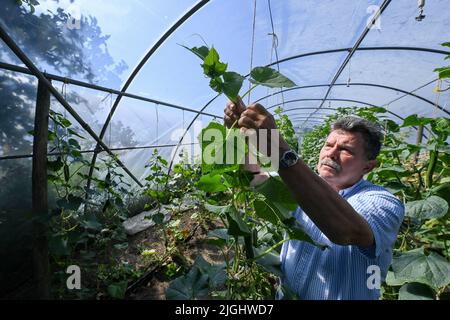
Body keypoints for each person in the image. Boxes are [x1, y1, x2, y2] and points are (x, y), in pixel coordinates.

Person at [223, 99, 405, 300]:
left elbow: (345, 231)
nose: (331, 153)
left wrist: (278, 149)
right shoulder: (300, 183)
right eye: (328, 145)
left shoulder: (383, 202)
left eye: (346, 150)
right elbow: (253, 176)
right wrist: (238, 134)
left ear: (368, 167)